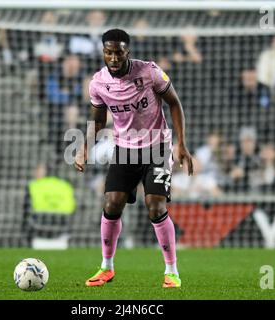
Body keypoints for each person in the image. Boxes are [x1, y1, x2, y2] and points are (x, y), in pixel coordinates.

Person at [74, 29, 193, 288]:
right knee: (111, 203)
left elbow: (174, 103)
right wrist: (85, 146)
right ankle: (106, 267)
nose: (114, 57)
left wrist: (181, 144)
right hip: (125, 150)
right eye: (108, 52)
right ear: (103, 52)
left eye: (118, 52)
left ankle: (171, 271)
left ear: (127, 52)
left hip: (157, 148)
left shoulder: (149, 72)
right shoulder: (98, 83)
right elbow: (97, 118)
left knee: (156, 206)